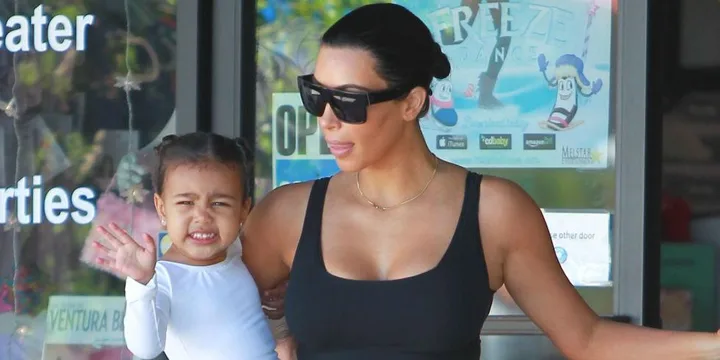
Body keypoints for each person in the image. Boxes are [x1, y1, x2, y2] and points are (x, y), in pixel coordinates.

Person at [241, 3, 720, 359]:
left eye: (347, 101)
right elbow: (207, 320)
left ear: (412, 103)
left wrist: (712, 345)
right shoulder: (287, 214)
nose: (326, 119)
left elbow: (587, 339)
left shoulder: (495, 211)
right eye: (315, 95)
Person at [92, 133, 280, 360]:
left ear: (243, 208)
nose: (202, 217)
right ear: (161, 208)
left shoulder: (239, 250)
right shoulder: (164, 278)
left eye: (219, 203)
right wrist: (142, 283)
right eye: (185, 203)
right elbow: (145, 348)